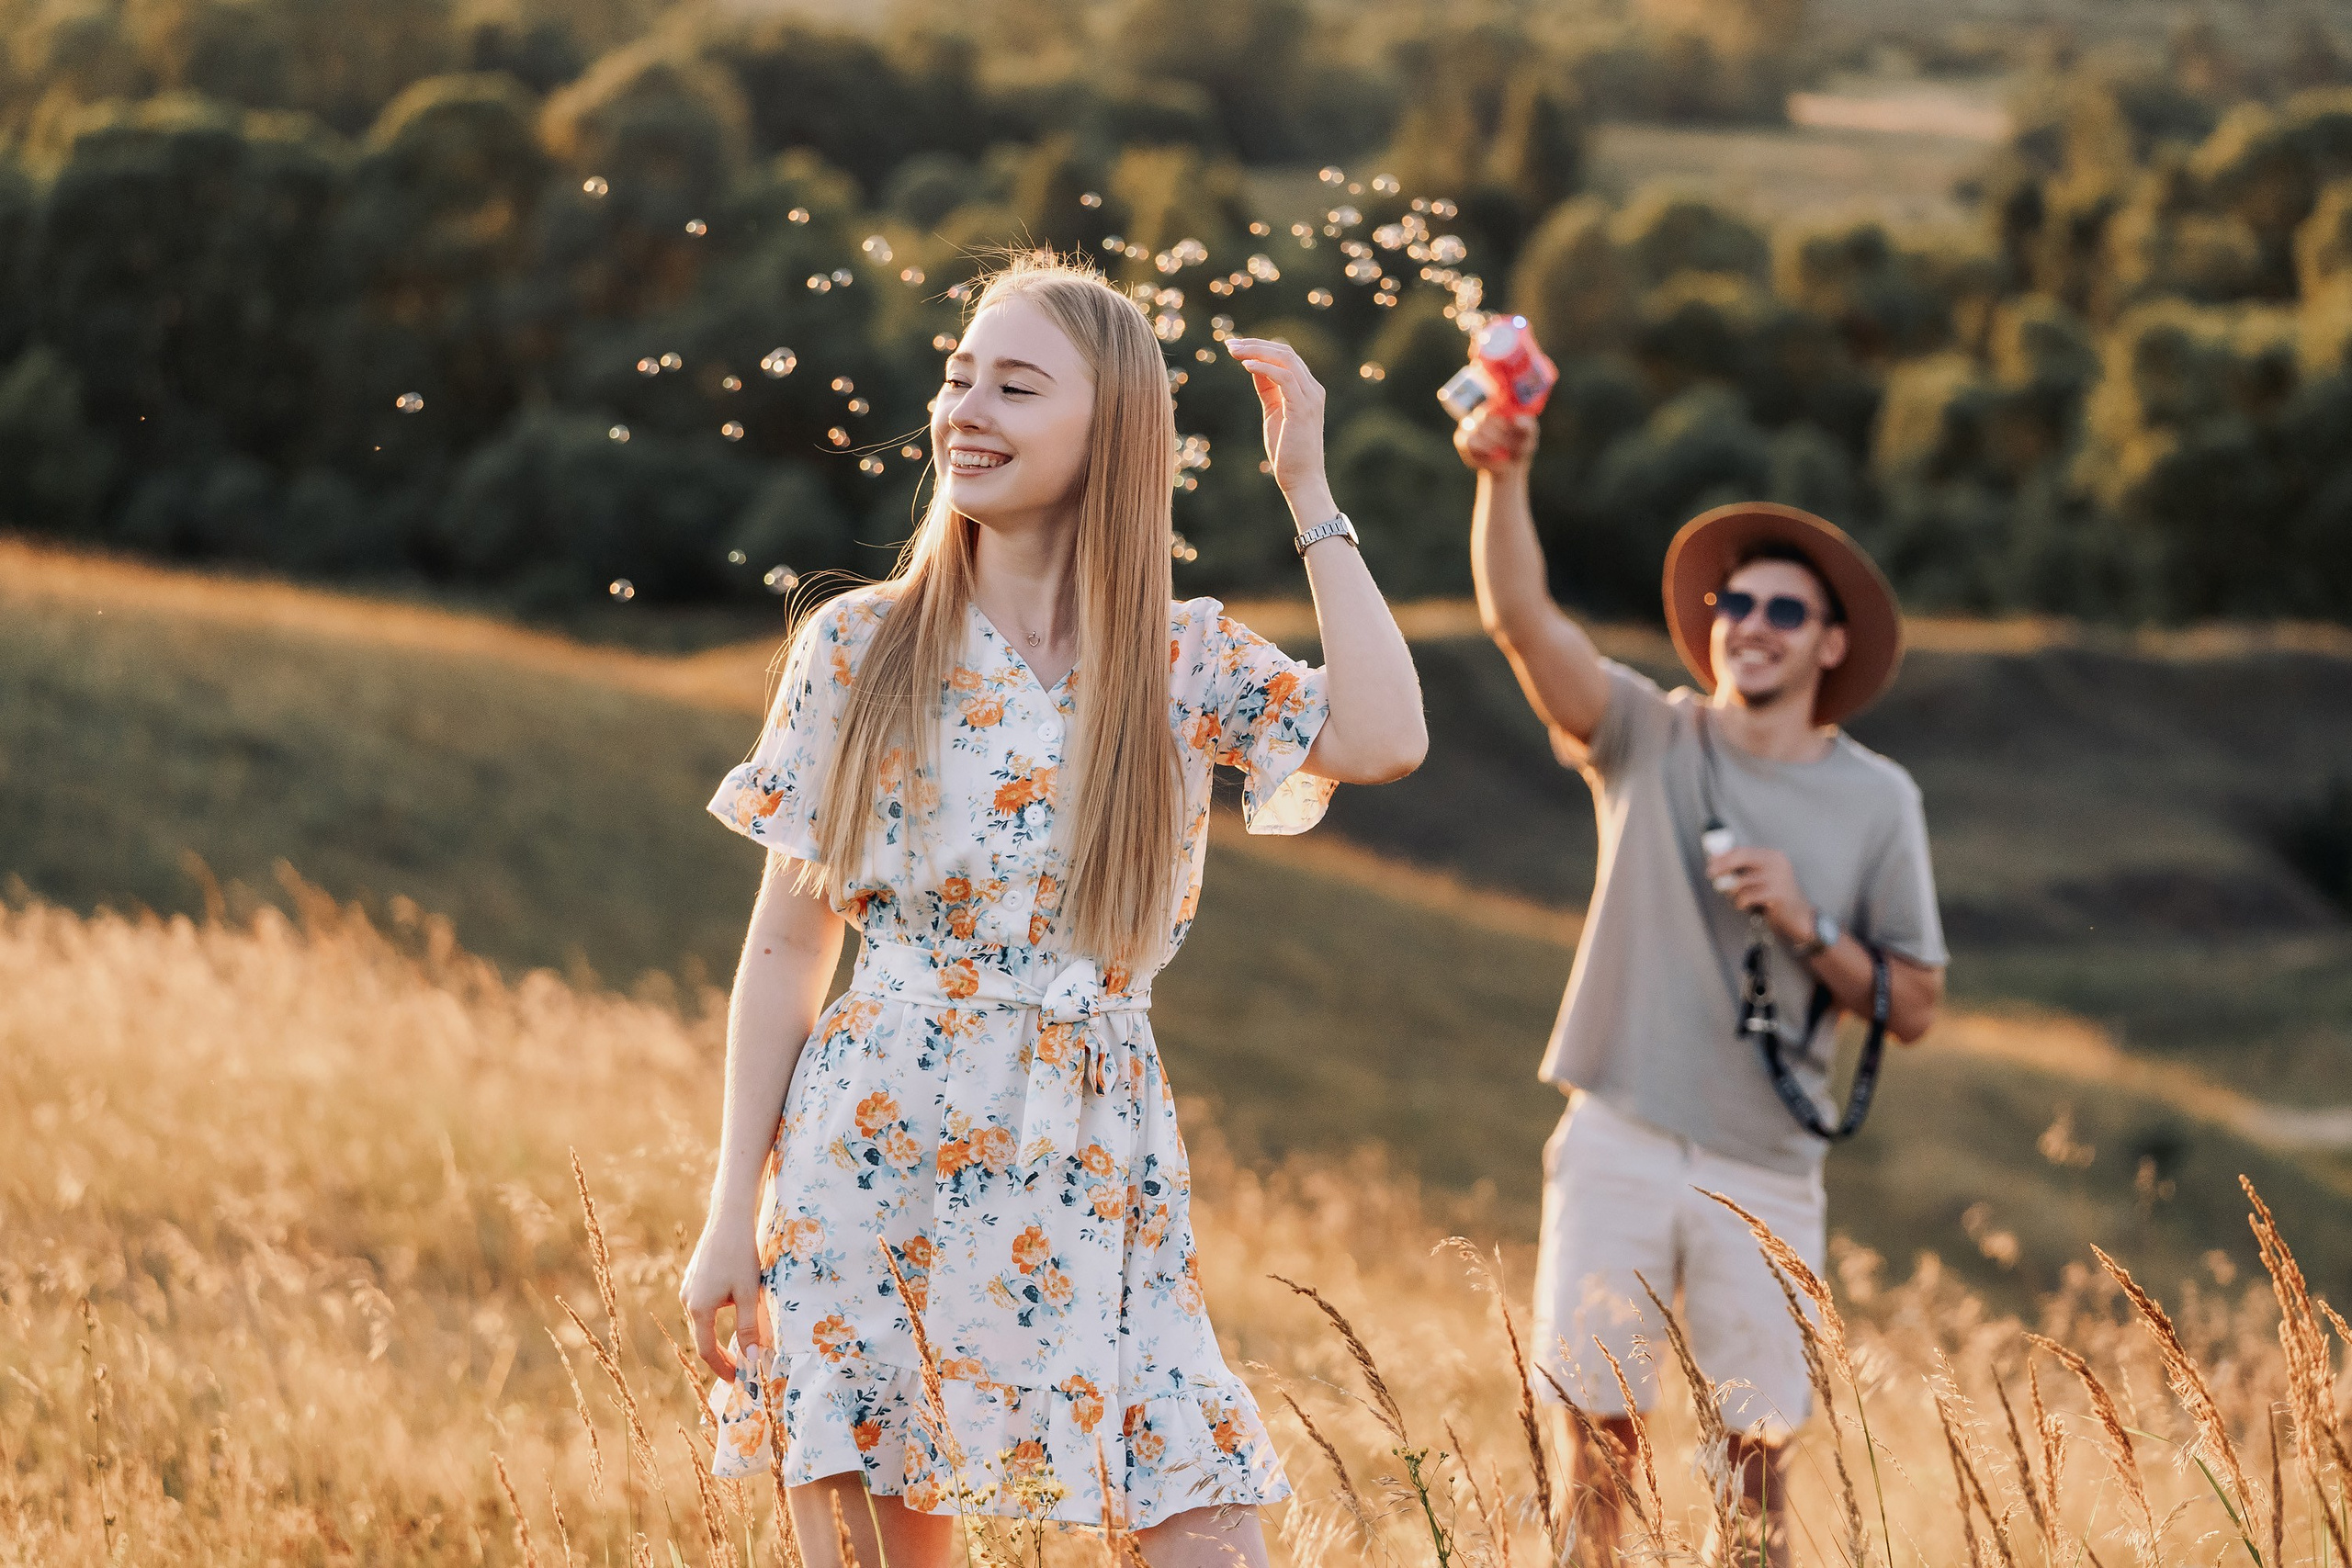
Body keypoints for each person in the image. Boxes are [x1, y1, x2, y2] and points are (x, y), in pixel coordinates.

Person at [680, 253, 1428, 1568]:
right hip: (872, 1141)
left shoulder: (1180, 654)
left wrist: (1307, 486)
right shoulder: (857, 648)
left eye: (1015, 385)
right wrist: (728, 1207)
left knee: (1207, 1527)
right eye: (959, 376)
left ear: (1111, 431)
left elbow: (1380, 734)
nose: (966, 408)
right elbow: (788, 941)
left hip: (1096, 1145)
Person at [1453, 408, 1948, 1562]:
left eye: (1785, 610)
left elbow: (1913, 1006)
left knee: (1753, 1466)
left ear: (1830, 645)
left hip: (1764, 1165)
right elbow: (1520, 622)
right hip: (1616, 1133)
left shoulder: (1879, 803)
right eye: (1735, 605)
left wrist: (1808, 924)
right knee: (1594, 1448)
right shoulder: (1647, 736)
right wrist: (1507, 473)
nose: (1751, 626)